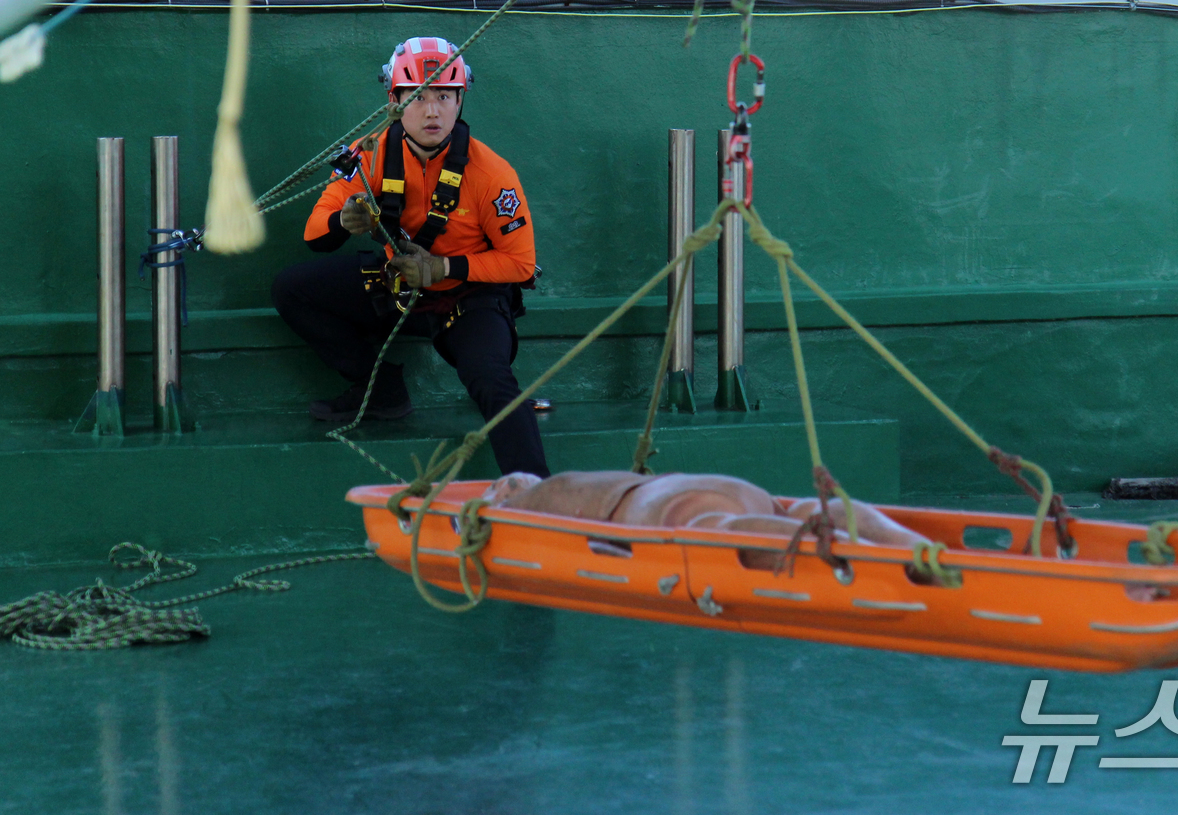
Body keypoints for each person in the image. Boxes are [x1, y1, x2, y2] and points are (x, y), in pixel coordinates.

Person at [272, 36, 549, 478]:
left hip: (466, 299)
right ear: (394, 101)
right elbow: (314, 232)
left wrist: (443, 268)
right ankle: (382, 391)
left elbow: (520, 264)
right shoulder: (368, 155)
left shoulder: (492, 174)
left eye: (444, 95)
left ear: (461, 100)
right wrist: (344, 221)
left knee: (491, 379)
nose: (432, 110)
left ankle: (536, 492)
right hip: (396, 285)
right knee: (292, 289)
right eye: (417, 96)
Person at [482, 470, 928, 550]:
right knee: (810, 510)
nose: (506, 485)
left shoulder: (545, 496)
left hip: (667, 507)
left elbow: (494, 510)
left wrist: (490, 505)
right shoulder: (565, 486)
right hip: (723, 490)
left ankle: (849, 550)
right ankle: (916, 549)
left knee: (717, 528)